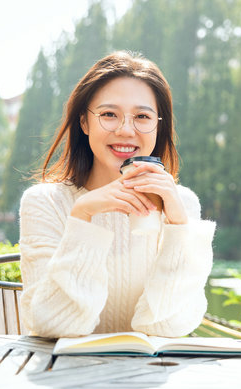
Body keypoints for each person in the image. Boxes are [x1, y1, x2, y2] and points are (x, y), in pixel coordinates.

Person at [18, 51, 216, 338]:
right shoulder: (44, 202)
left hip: (150, 375)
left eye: (142, 116)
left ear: (158, 127)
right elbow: (54, 326)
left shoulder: (181, 203)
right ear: (84, 123)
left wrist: (178, 227)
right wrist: (83, 216)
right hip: (66, 375)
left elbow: (168, 327)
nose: (126, 130)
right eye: (109, 114)